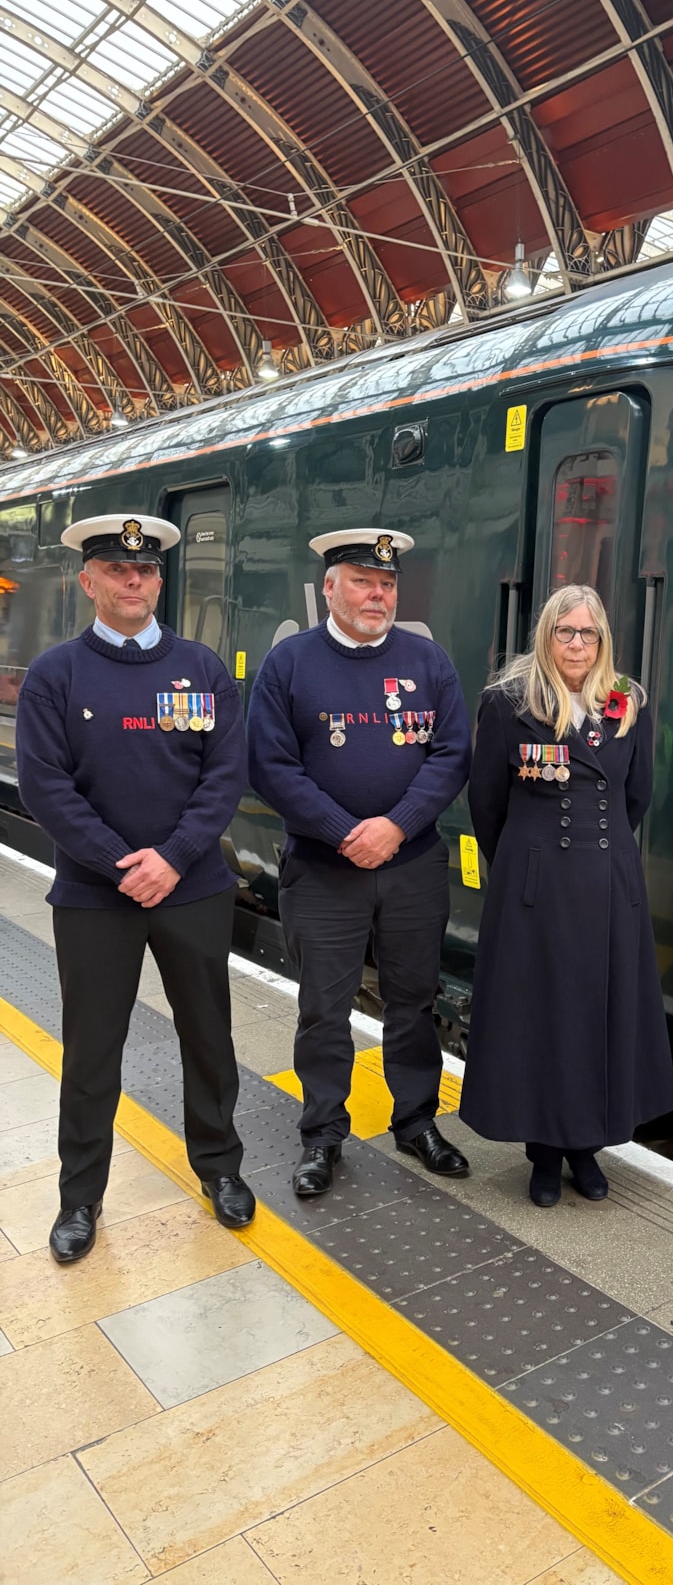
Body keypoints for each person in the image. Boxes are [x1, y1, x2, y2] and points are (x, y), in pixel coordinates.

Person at [15, 513, 255, 1263]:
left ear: (160, 581)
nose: (133, 581)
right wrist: (126, 864)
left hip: (193, 890)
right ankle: (79, 1198)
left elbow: (225, 775)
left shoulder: (202, 669)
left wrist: (175, 859)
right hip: (94, 898)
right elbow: (45, 787)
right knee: (92, 1052)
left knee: (209, 1040)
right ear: (87, 580)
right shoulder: (57, 674)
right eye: (117, 569)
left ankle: (220, 1171)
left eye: (146, 570)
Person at [247, 528, 471, 1197]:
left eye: (388, 584)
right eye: (364, 582)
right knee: (324, 1008)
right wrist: (345, 832)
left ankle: (416, 1123)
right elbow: (271, 766)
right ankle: (322, 1137)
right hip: (323, 871)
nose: (378, 595)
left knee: (412, 1000)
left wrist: (395, 827)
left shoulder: (428, 661)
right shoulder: (289, 663)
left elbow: (451, 754)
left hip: (412, 867)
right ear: (329, 589)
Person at [460, 584, 673, 1206]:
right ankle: (544, 1154)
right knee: (542, 1017)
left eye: (588, 634)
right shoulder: (509, 702)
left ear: (603, 640)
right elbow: (487, 804)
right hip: (535, 888)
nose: (577, 645)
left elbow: (637, 795)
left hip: (609, 883)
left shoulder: (625, 701)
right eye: (565, 632)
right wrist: (526, 868)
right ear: (546, 637)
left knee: (597, 1013)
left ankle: (587, 1147)